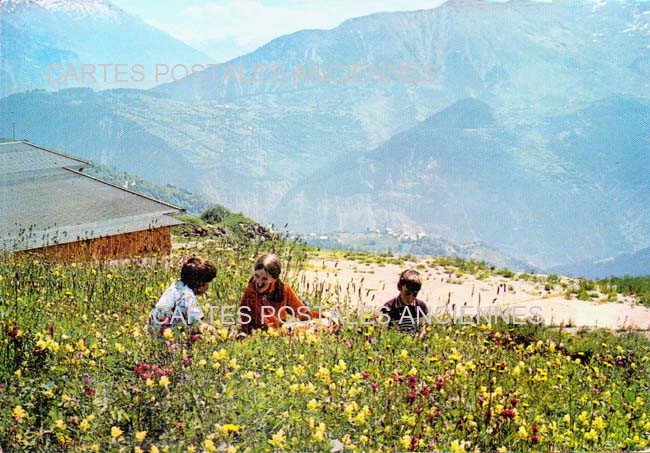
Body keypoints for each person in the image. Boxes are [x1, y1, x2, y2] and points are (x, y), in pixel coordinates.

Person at [238, 253, 328, 335]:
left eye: (265, 279)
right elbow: (266, 327)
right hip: (261, 334)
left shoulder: (283, 289)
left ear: (274, 279)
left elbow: (301, 312)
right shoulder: (251, 294)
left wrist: (323, 315)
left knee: (326, 324)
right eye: (256, 276)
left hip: (282, 331)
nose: (259, 283)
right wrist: (298, 327)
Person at [148, 256, 217, 334]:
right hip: (166, 336)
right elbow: (196, 325)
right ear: (201, 284)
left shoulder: (175, 287)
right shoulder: (187, 297)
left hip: (153, 331)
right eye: (208, 283)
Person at [380, 269, 429, 334]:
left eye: (415, 294)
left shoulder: (421, 306)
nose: (410, 298)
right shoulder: (389, 307)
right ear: (399, 287)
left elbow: (422, 331)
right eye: (407, 293)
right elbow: (384, 332)